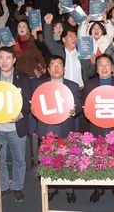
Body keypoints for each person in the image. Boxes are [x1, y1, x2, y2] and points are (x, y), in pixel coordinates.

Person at [0, 47, 31, 203]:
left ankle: (17, 186)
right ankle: (3, 187)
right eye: (1, 58)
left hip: (16, 128)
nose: (4, 61)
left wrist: (20, 114)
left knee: (19, 160)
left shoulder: (23, 78)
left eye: (8, 58)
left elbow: (28, 102)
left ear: (14, 60)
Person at [82, 54, 114, 204]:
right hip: (96, 127)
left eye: (107, 65)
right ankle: (99, 187)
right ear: (96, 69)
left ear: (113, 68)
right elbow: (86, 105)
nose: (104, 68)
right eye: (100, 65)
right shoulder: (90, 84)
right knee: (98, 157)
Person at [33, 55, 81, 203]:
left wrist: (75, 110)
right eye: (52, 65)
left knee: (68, 160)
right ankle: (51, 188)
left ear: (64, 69)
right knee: (48, 160)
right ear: (48, 69)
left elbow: (79, 106)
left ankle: (69, 189)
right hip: (46, 128)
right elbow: (34, 106)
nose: (56, 67)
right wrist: (34, 110)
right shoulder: (40, 85)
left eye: (59, 64)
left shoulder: (72, 86)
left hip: (66, 128)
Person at [43, 13, 96, 89]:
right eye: (70, 36)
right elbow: (48, 41)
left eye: (75, 36)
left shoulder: (83, 53)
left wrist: (93, 63)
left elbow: (90, 74)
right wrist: (48, 23)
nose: (74, 38)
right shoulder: (59, 51)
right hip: (63, 89)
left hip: (81, 89)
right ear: (64, 39)